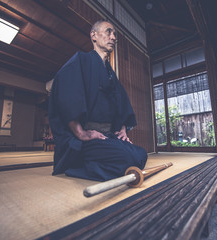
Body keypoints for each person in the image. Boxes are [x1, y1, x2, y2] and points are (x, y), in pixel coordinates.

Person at [48, 20, 147, 181]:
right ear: (93, 35)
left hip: (107, 136)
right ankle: (77, 165)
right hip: (88, 138)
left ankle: (95, 161)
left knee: (140, 154)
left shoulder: (110, 74)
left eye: (115, 34)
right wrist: (81, 133)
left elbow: (122, 104)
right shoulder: (80, 60)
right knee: (127, 159)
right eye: (109, 32)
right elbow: (65, 95)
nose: (113, 37)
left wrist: (122, 129)